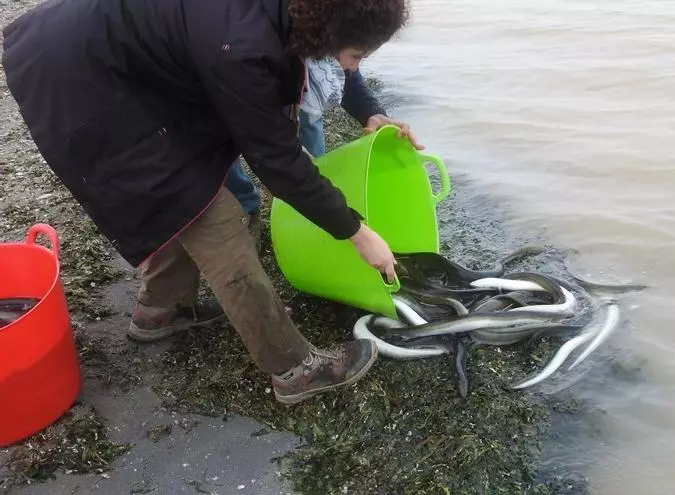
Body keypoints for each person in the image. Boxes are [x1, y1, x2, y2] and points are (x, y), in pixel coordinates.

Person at [2, 0, 412, 405]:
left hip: (118, 60)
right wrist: (357, 231)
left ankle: (160, 310)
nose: (355, 67)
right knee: (212, 213)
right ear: (330, 30)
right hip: (77, 76)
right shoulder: (245, 42)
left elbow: (276, 123)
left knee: (184, 191)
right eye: (356, 54)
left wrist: (366, 111)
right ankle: (293, 368)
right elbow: (276, 163)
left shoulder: (297, 13)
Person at [227, 67, 423, 244]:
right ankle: (245, 208)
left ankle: (318, 213)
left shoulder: (331, 50)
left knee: (310, 128)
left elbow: (345, 64)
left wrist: (370, 111)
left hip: (296, 63)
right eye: (357, 55)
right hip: (235, 87)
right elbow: (262, 132)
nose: (355, 66)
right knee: (231, 140)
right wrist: (287, 153)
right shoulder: (257, 53)